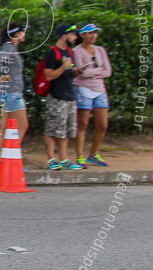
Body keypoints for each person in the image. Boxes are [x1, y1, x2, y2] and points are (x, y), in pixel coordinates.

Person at [43, 23, 90, 170]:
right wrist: (63, 67)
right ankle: (51, 159)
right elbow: (48, 76)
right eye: (73, 34)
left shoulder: (69, 51)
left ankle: (64, 159)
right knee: (53, 128)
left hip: (70, 95)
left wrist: (77, 71)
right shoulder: (52, 52)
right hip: (57, 96)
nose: (75, 37)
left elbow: (68, 73)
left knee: (66, 130)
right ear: (65, 35)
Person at [72, 23, 112, 167]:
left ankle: (94, 153)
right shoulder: (77, 51)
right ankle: (79, 156)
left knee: (102, 125)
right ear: (83, 35)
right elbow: (81, 73)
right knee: (83, 124)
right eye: (90, 33)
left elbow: (108, 71)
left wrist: (91, 73)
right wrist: (98, 71)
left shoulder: (100, 50)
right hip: (83, 89)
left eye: (95, 33)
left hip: (100, 90)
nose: (93, 36)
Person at [0, 23, 28, 167]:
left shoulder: (8, 47)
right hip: (13, 93)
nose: (24, 34)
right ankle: (8, 157)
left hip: (8, 91)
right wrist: (5, 73)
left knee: (5, 126)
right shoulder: (9, 47)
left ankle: (2, 159)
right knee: (22, 126)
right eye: (23, 32)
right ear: (17, 34)